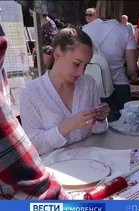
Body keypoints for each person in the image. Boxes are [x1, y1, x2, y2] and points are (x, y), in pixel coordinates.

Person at [19, 27, 110, 156]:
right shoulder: (31, 91)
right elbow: (32, 146)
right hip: (54, 170)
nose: (81, 72)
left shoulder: (88, 83)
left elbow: (97, 130)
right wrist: (68, 126)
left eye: (86, 65)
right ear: (57, 54)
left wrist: (101, 118)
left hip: (89, 161)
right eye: (76, 64)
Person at [83, 0, 138, 122]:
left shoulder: (85, 29)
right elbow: (132, 69)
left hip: (93, 87)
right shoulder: (125, 30)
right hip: (119, 87)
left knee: (96, 131)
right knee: (123, 130)